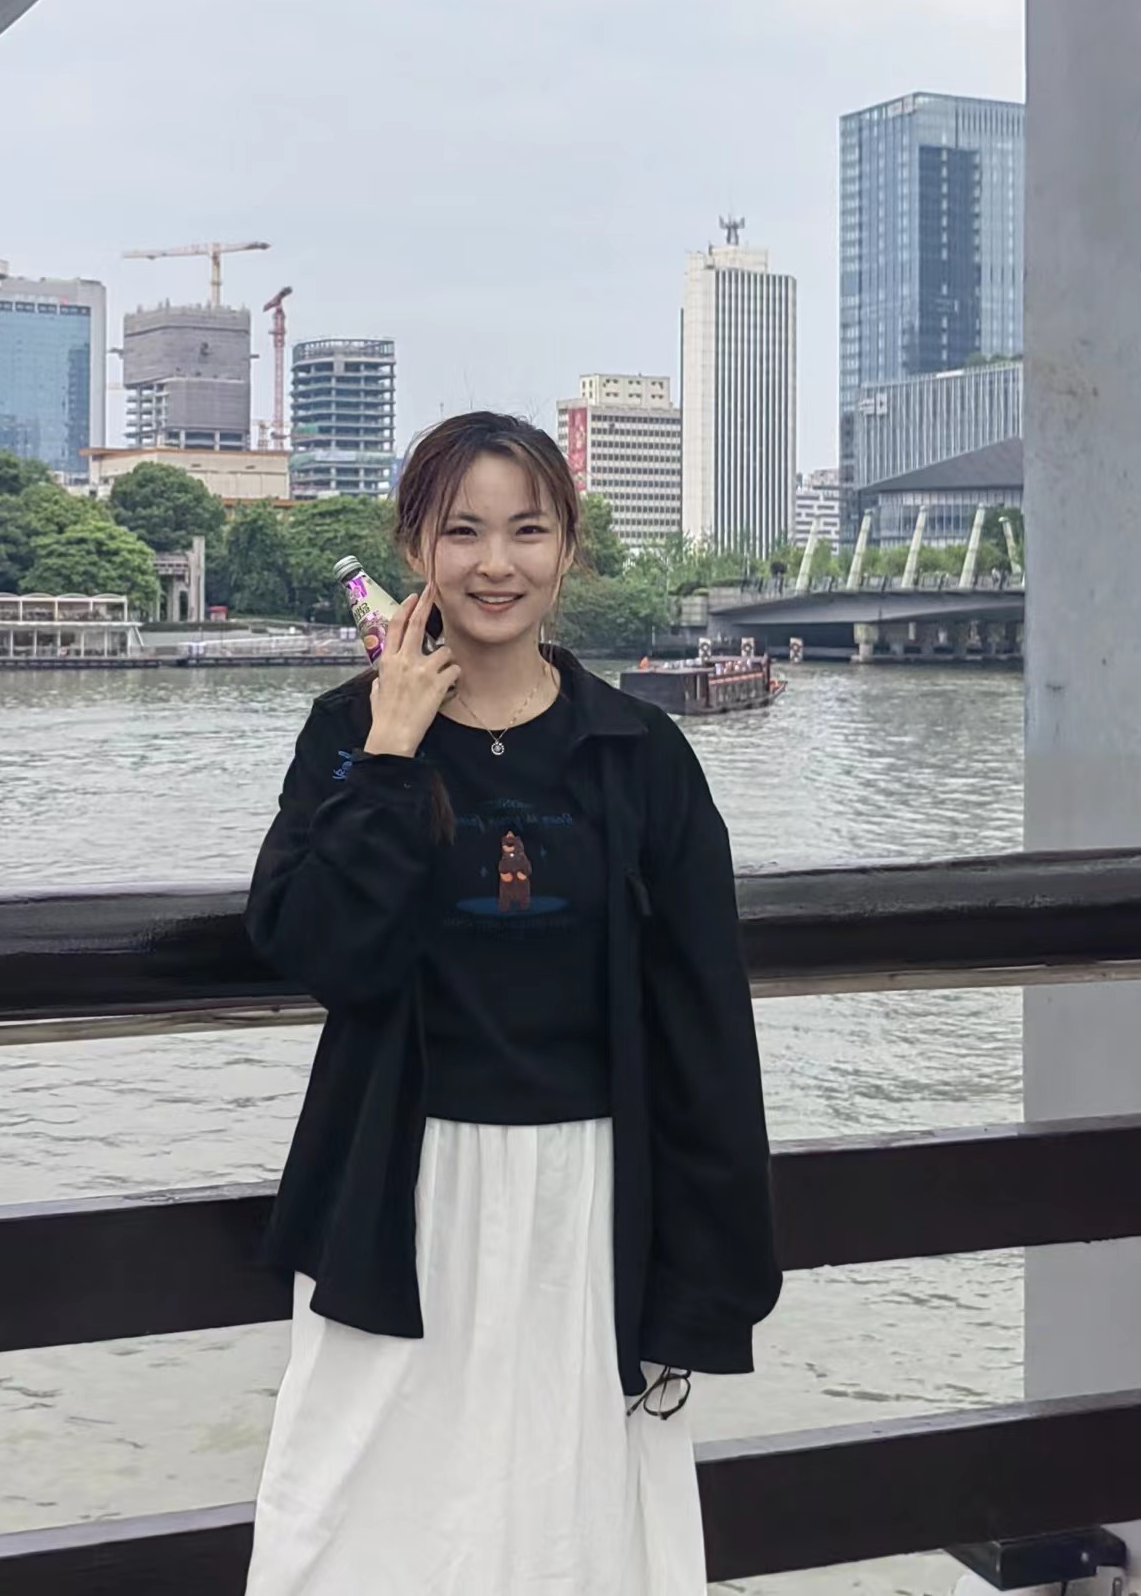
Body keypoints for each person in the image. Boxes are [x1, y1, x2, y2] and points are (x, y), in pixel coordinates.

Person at [244, 410, 780, 1594]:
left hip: (590, 1196)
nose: (496, 563)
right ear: (415, 548)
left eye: (527, 530)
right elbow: (320, 950)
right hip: (397, 1185)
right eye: (463, 530)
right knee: (352, 1518)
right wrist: (389, 756)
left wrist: (704, 1288)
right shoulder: (345, 732)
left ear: (567, 548)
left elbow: (704, 1030)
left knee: (572, 1524)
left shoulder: (637, 753)